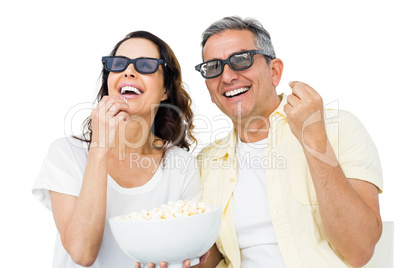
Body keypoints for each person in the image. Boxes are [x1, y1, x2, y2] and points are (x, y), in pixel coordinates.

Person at [194, 16, 383, 268]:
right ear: (209, 88)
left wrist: (315, 142)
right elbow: (211, 257)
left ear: (274, 72)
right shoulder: (205, 163)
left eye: (241, 60)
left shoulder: (338, 128)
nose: (227, 77)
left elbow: (360, 250)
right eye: (213, 67)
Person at [32, 31, 202, 268]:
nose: (129, 71)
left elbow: (186, 254)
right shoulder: (65, 154)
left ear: (165, 90)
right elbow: (82, 254)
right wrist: (100, 147)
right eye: (119, 64)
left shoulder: (182, 165)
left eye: (145, 65)